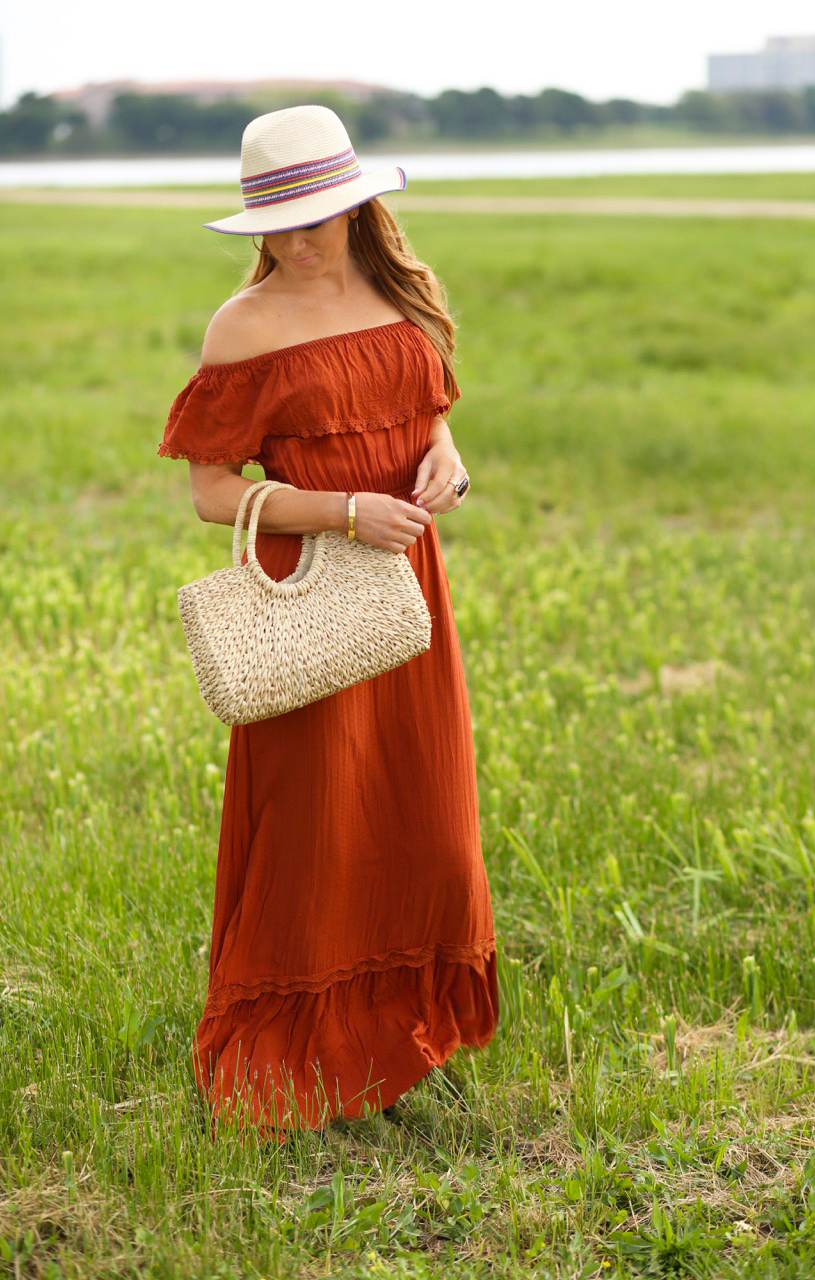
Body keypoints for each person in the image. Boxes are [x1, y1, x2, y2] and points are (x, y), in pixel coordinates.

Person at [157, 104, 499, 1137]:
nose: (301, 239)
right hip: (315, 579)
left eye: (321, 215)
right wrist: (343, 510)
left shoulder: (402, 289)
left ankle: (404, 1033)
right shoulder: (242, 325)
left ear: (359, 206)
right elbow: (215, 490)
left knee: (425, 818)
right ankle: (298, 1057)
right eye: (281, 221)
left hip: (407, 581)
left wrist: (446, 457)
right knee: (317, 823)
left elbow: (427, 411)